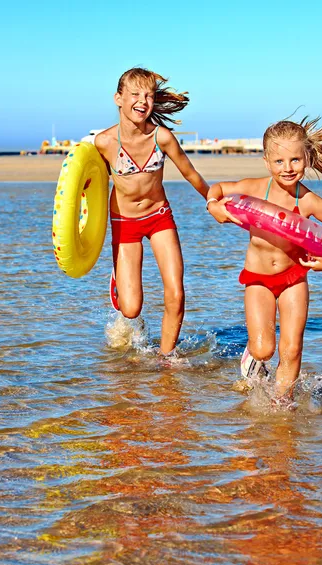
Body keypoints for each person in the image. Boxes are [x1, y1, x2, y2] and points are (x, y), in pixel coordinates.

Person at [206, 117, 322, 403]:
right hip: (258, 278)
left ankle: (281, 404)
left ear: (307, 158)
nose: (288, 168)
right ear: (267, 162)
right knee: (264, 349)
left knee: (291, 349)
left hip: (294, 278)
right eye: (279, 161)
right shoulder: (254, 187)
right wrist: (213, 206)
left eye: (295, 160)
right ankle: (253, 357)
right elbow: (218, 189)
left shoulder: (308, 201)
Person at [94, 68, 209, 356]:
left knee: (176, 293)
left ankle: (165, 358)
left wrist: (213, 200)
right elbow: (86, 188)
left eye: (148, 95)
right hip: (125, 222)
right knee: (131, 308)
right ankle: (118, 279)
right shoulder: (104, 143)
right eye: (135, 94)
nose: (142, 101)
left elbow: (191, 174)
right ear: (118, 98)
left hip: (159, 217)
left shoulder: (162, 137)